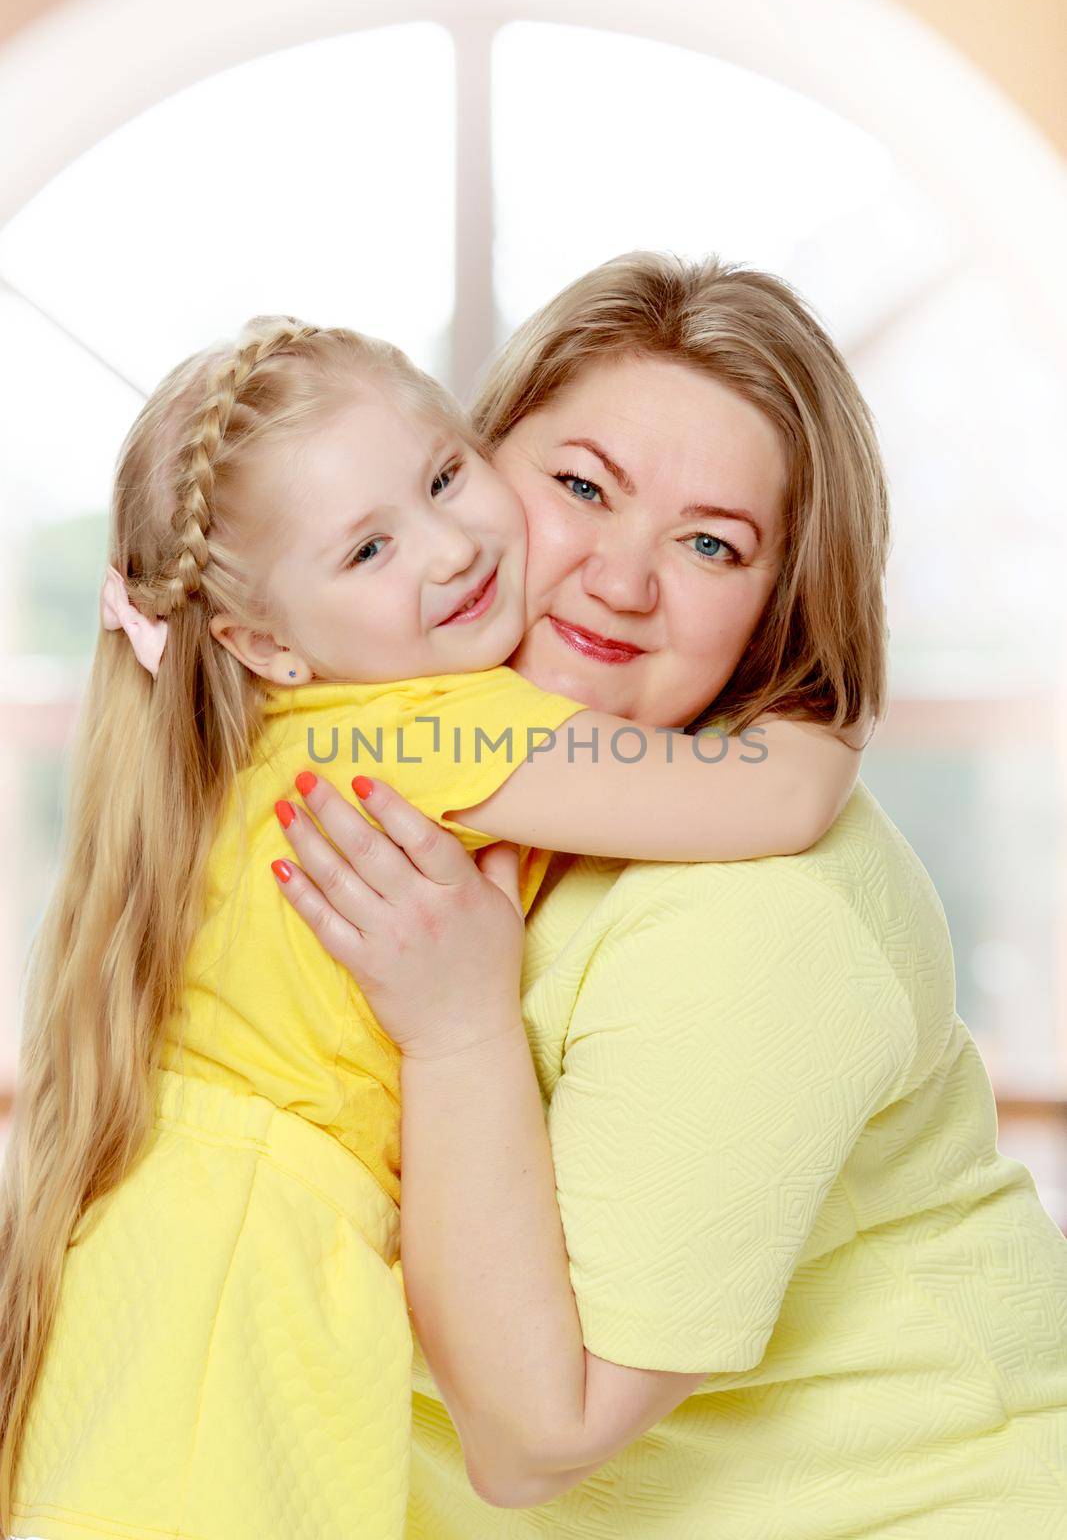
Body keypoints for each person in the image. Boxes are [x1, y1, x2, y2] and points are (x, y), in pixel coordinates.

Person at [0, 302, 861, 1540]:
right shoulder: (435, 729)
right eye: (366, 552)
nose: (448, 552)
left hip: (177, 1241)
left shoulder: (288, 740)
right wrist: (828, 680)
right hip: (247, 1266)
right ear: (261, 643)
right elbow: (780, 793)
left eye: (446, 477)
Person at [279, 252, 1067, 1538]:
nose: (621, 581)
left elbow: (538, 1435)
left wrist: (458, 1025)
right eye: (580, 487)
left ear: (771, 608)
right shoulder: (424, 765)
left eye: (709, 543)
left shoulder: (759, 916)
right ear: (460, 476)